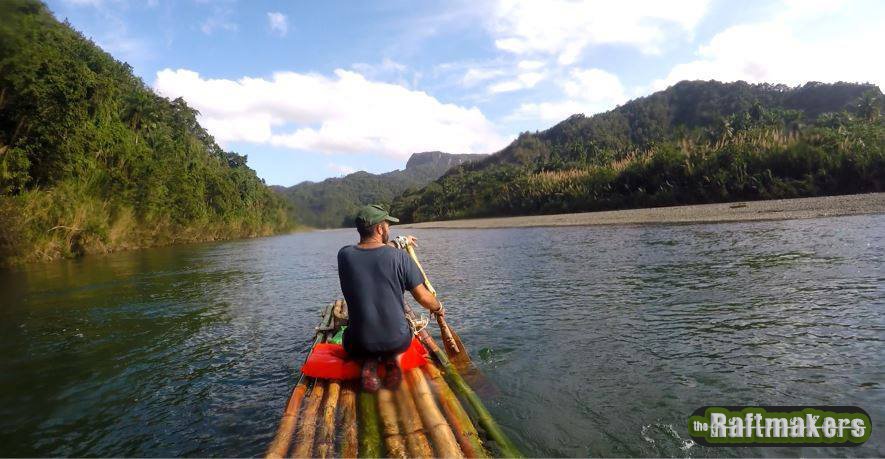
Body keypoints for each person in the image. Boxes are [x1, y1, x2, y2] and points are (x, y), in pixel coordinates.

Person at [337, 204, 444, 392]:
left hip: (358, 343)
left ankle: (368, 362)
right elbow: (423, 297)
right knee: (404, 331)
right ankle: (392, 360)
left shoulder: (344, 255)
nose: (389, 229)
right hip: (397, 340)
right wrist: (438, 307)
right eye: (387, 225)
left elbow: (374, 251)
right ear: (379, 229)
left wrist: (398, 242)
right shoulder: (400, 258)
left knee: (352, 338)